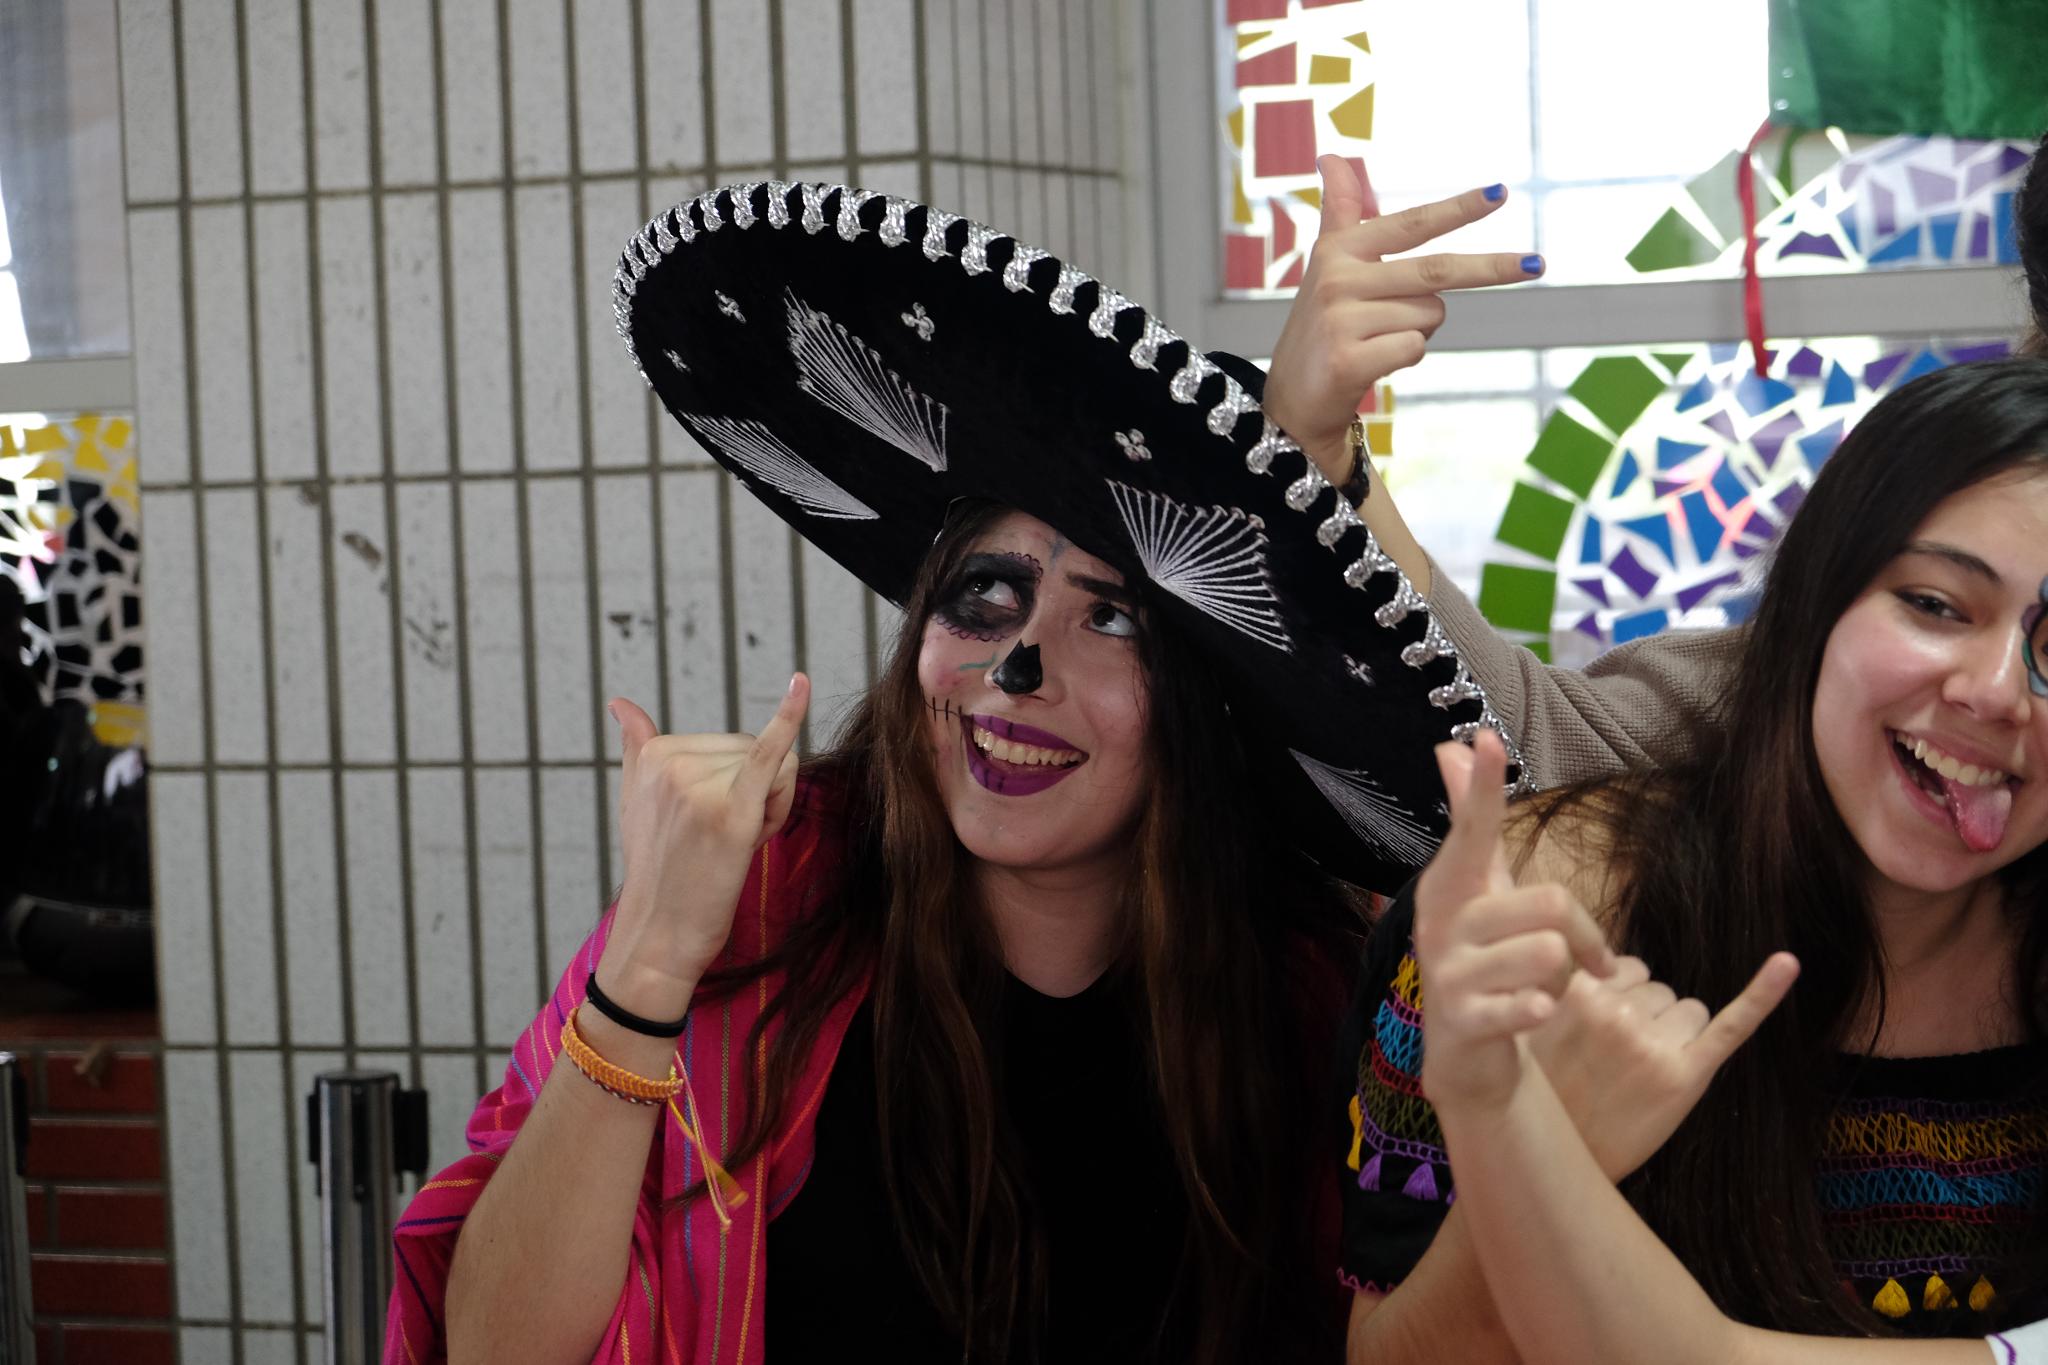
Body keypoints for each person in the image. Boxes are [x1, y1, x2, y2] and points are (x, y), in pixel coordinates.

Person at [385, 177, 1581, 1364]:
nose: (1015, 669)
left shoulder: (1314, 992)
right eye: (984, 594)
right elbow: (491, 1347)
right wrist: (645, 966)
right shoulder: (755, 899)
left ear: (1208, 707)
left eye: (1110, 618)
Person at [1337, 356, 2048, 1360]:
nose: (1995, 690)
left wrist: (1537, 1160)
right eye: (1934, 604)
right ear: (1814, 607)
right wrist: (1530, 1137)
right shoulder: (1548, 907)